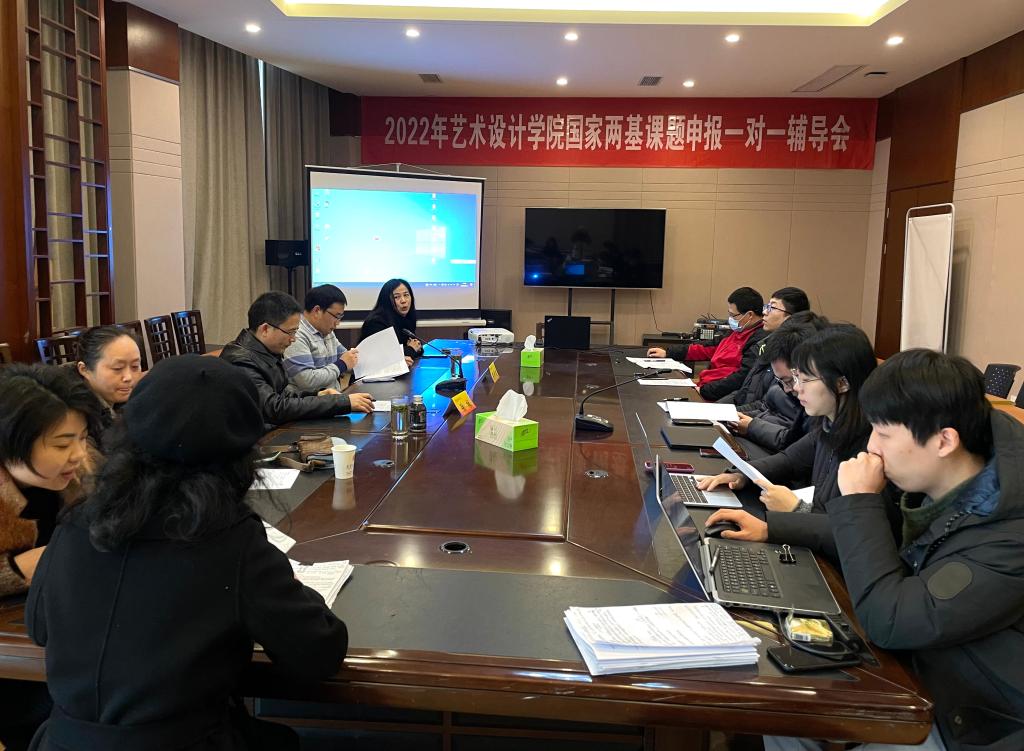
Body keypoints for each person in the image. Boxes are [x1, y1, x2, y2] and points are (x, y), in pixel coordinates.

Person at [26, 355, 349, 750]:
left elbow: (39, 627)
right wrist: (294, 587)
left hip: (63, 741)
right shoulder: (231, 539)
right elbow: (319, 653)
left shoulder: (77, 522)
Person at [763, 350, 1024, 751]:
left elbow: (892, 620)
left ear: (944, 441)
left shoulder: (1007, 533)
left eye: (883, 434)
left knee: (787, 701)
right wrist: (771, 527)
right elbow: (881, 539)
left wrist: (859, 501)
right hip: (923, 669)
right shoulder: (939, 483)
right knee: (782, 696)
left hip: (974, 720)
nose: (872, 447)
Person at [702, 325, 897, 560]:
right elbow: (789, 460)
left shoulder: (871, 448)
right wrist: (742, 475)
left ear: (842, 383)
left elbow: (859, 534)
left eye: (805, 379)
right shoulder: (828, 424)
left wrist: (797, 509)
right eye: (796, 378)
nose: (796, 388)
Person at [0, 365, 101, 749]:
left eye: (82, 437)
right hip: (19, 668)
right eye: (61, 445)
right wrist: (12, 570)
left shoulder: (84, 473)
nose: (78, 454)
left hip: (72, 638)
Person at [221, 291, 373, 426]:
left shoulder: (266, 351)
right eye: (290, 332)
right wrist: (341, 402)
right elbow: (274, 408)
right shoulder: (241, 361)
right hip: (253, 439)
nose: (293, 339)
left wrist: (317, 395)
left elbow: (283, 394)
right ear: (265, 329)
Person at [729, 311, 829, 452]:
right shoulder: (777, 366)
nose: (791, 388)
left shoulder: (814, 402)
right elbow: (762, 404)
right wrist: (730, 414)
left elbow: (793, 446)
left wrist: (752, 426)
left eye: (772, 307)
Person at [647, 287, 768, 402]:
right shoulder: (736, 331)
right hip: (706, 386)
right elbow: (706, 348)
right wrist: (668, 352)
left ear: (749, 315)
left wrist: (705, 391)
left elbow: (741, 378)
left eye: (733, 315)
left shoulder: (759, 340)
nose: (730, 319)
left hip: (718, 394)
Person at [719, 287, 811, 409]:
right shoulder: (765, 344)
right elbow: (745, 391)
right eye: (767, 307)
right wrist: (719, 408)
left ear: (790, 317)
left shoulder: (791, 353)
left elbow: (771, 405)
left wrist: (734, 413)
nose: (765, 312)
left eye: (772, 308)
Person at [283, 284, 359, 394]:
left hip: (334, 398)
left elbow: (346, 357)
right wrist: (342, 365)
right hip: (311, 402)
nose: (338, 323)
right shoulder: (296, 334)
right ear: (317, 310)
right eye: (336, 316)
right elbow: (307, 380)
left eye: (340, 317)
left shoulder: (327, 332)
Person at [72, 325, 143, 434]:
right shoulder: (77, 419)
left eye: (135, 366)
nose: (128, 377)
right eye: (117, 368)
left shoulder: (133, 402)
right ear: (84, 369)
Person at [359, 278, 422, 366]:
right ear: (386, 300)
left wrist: (415, 347)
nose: (403, 301)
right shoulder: (376, 322)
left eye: (406, 295)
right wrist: (411, 349)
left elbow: (415, 346)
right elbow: (382, 356)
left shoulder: (407, 318)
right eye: (396, 297)